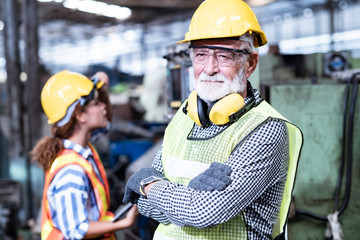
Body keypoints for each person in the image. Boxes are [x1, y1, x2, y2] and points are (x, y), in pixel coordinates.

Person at [122, 0, 303, 239]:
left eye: (224, 56)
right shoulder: (184, 116)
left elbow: (205, 214)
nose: (209, 68)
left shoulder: (266, 129)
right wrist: (189, 197)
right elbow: (146, 207)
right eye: (201, 55)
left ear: (250, 63)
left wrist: (149, 185)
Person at [31, 70, 138, 240]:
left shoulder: (82, 148)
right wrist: (121, 223)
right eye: (96, 103)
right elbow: (75, 230)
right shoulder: (71, 171)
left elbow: (105, 123)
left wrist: (99, 89)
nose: (103, 105)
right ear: (79, 115)